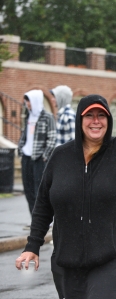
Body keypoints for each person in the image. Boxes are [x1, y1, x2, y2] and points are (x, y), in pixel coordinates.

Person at [15, 56, 116, 299]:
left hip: (112, 254)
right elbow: (43, 204)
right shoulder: (60, 156)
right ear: (80, 120)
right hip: (68, 260)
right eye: (90, 115)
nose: (96, 121)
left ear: (108, 120)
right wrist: (32, 246)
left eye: (102, 115)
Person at [18, 90, 56, 228]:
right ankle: (35, 221)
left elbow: (52, 138)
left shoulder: (48, 117)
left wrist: (45, 156)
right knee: (28, 190)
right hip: (26, 158)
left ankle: (46, 221)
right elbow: (25, 135)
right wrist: (20, 148)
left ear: (35, 101)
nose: (27, 104)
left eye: (28, 100)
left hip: (39, 159)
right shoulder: (28, 116)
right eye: (26, 101)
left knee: (39, 191)